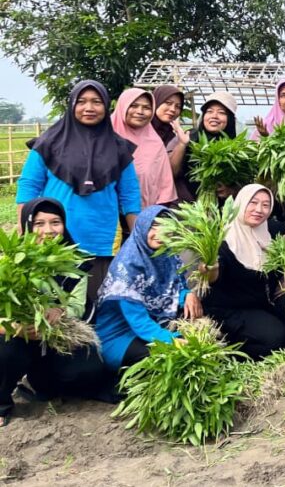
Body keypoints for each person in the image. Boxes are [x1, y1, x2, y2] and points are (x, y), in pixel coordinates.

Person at [16, 80, 141, 304]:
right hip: (52, 238)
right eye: (81, 102)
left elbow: (130, 196)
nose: (89, 108)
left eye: (96, 102)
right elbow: (28, 188)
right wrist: (23, 234)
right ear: (72, 105)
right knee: (52, 306)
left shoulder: (120, 148)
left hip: (101, 240)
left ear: (106, 107)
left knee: (93, 307)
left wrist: (138, 241)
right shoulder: (47, 143)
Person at [0, 200, 114, 427]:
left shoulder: (74, 262)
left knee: (87, 369)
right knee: (7, 352)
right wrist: (16, 327)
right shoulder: (12, 263)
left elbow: (77, 306)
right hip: (20, 335)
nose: (48, 230)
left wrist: (60, 311)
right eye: (39, 223)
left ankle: (39, 384)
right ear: (28, 226)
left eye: (55, 222)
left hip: (57, 335)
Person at [202, 184, 285, 359]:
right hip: (232, 310)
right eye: (253, 203)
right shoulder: (223, 239)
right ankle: (227, 351)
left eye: (266, 205)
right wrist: (210, 269)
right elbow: (214, 279)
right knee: (276, 338)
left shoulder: (272, 230)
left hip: (264, 304)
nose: (259, 210)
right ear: (241, 203)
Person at [94, 205, 202, 371]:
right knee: (170, 358)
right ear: (142, 227)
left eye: (167, 228)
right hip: (120, 334)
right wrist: (172, 340)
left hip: (152, 324)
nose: (160, 234)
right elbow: (139, 322)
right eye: (153, 227)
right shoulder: (127, 266)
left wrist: (187, 294)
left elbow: (174, 286)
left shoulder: (166, 255)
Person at [111, 88, 178, 208]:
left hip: (143, 215)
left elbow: (165, 186)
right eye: (134, 105)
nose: (140, 111)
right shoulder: (104, 137)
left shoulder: (155, 143)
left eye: (146, 108)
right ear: (123, 107)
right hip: (106, 214)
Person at [172, 91, 240, 203]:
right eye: (209, 111)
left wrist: (231, 190)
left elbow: (243, 183)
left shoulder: (236, 148)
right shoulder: (189, 137)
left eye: (221, 112)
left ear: (230, 119)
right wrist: (181, 144)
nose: (214, 116)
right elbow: (172, 173)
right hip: (186, 205)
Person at [150, 85, 186, 160]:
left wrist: (181, 144)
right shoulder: (140, 130)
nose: (173, 109)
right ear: (156, 102)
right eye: (168, 103)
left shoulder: (172, 138)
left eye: (178, 106)